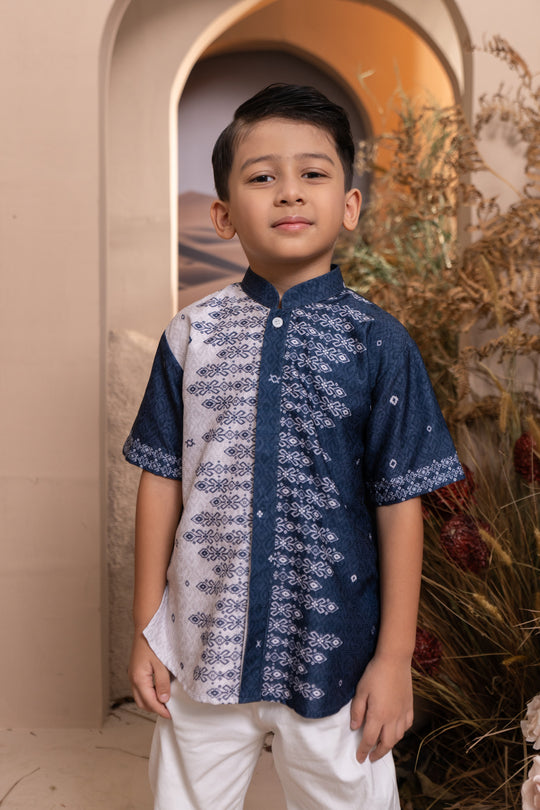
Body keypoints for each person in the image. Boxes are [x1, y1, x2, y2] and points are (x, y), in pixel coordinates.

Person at [124, 83, 464, 810]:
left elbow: (399, 502)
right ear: (223, 215)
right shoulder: (191, 336)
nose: (289, 192)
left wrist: (394, 658)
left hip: (337, 656)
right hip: (201, 647)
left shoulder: (380, 344)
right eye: (261, 177)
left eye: (313, 173)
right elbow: (160, 478)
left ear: (350, 205)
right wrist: (148, 628)